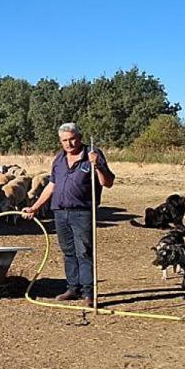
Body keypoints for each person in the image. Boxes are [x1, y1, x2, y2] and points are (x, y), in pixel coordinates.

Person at [22, 122, 115, 307]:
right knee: (68, 252)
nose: (69, 144)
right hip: (60, 212)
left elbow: (108, 182)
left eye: (72, 139)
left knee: (84, 252)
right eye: (64, 140)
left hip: (82, 212)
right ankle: (73, 288)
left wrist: (98, 166)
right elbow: (52, 185)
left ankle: (88, 292)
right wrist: (35, 207)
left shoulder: (92, 154)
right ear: (60, 141)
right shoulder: (59, 159)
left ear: (79, 138)